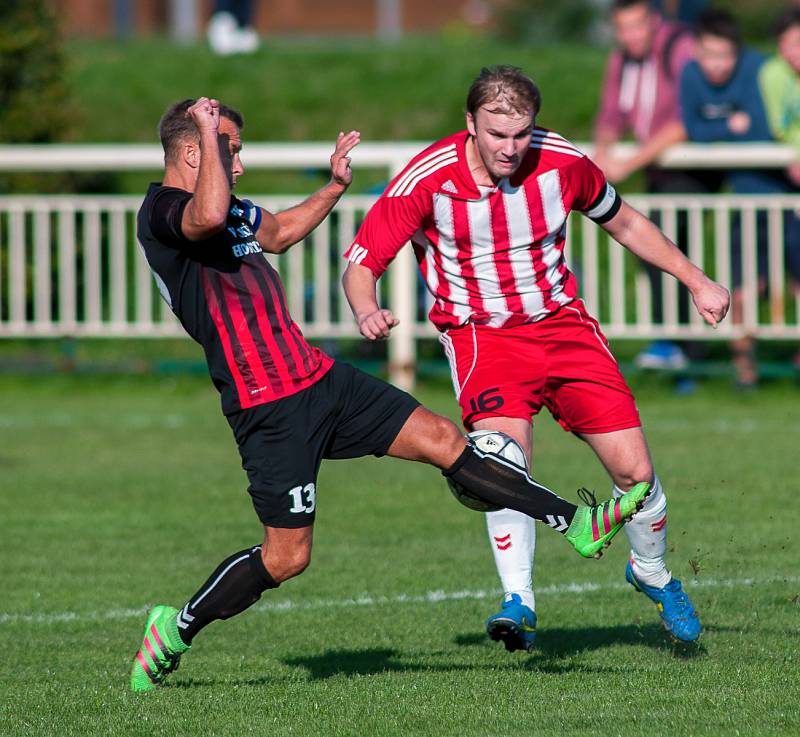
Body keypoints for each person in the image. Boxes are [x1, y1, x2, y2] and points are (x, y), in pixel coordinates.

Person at [129, 97, 650, 692]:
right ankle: (175, 628)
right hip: (266, 406)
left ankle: (575, 522)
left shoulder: (232, 209)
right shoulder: (164, 212)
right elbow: (210, 212)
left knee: (444, 439)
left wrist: (332, 188)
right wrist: (205, 126)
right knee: (287, 557)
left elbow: (279, 232)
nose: (239, 165)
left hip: (320, 379)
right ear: (193, 151)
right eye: (231, 151)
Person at [342, 66, 729, 651]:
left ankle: (650, 571)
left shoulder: (562, 160)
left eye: (521, 133)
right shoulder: (428, 177)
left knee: (636, 476)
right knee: (501, 460)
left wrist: (695, 280)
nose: (510, 147)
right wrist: (365, 308)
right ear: (470, 124)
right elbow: (363, 263)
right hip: (483, 335)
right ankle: (518, 599)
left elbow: (622, 220)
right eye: (497, 134)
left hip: (564, 327)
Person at [594, 0, 718, 374]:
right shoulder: (622, 59)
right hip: (656, 170)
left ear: (654, 22)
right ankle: (675, 344)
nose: (630, 36)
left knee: (670, 253)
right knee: (657, 252)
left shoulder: (679, 47)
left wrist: (626, 163)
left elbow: (684, 120)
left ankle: (685, 347)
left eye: (636, 26)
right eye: (623, 28)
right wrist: (601, 157)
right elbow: (610, 115)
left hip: (689, 169)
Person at [680, 8, 800, 387]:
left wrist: (727, 130)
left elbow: (764, 128)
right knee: (742, 288)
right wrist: (729, 127)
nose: (716, 65)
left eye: (724, 55)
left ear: (737, 51)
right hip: (746, 194)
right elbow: (695, 130)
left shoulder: (760, 69)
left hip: (785, 195)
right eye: (709, 55)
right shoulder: (767, 72)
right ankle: (745, 374)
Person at [758, 6, 800, 371]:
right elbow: (778, 128)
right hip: (784, 188)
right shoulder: (772, 74)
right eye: (789, 44)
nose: (795, 53)